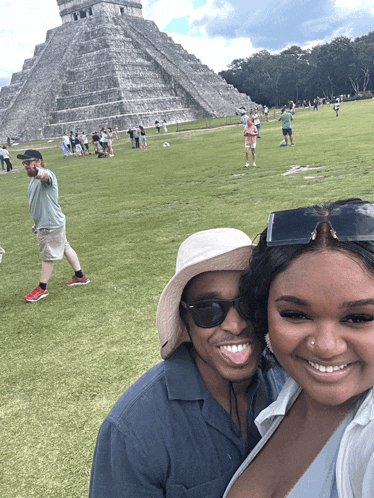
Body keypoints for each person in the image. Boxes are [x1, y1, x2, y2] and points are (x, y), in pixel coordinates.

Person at [89, 228, 288, 497]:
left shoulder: (290, 377)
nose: (236, 324)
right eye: (209, 309)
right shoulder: (133, 430)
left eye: (249, 304)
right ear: (184, 319)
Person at [224, 199, 374, 498]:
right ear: (262, 313)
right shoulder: (287, 400)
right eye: (295, 314)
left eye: (359, 318)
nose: (327, 347)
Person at [18, 150, 90, 302]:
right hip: (50, 222)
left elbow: (43, 175)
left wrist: (36, 170)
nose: (25, 166)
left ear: (38, 162)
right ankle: (80, 277)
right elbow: (40, 203)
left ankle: (42, 288)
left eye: (28, 162)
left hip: (50, 225)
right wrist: (37, 223)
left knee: (47, 256)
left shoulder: (46, 175)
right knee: (65, 247)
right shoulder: (33, 181)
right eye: (24, 163)